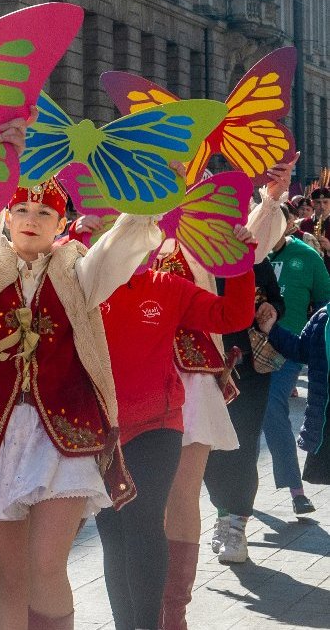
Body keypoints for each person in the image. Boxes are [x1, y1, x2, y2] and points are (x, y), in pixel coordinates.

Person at [0, 179, 162, 630]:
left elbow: (116, 254)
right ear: (5, 217)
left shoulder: (77, 270)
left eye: (44, 213)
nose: (30, 219)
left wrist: (148, 205)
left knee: (47, 567)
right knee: (11, 583)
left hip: (63, 437)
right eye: (20, 209)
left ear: (62, 224)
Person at [91, 233, 260, 630]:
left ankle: (161, 623)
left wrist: (241, 260)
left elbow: (231, 316)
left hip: (158, 423)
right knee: (114, 532)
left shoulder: (166, 286)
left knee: (144, 519)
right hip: (100, 431)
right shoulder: (85, 284)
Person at [203, 259, 284, 566]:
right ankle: (223, 514)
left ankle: (236, 524)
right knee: (206, 448)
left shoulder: (252, 254)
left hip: (246, 368)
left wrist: (271, 313)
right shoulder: (187, 250)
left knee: (243, 445)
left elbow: (275, 299)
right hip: (199, 366)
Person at [264, 228, 330, 515]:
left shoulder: (308, 257)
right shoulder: (323, 321)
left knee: (270, 407)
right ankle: (232, 507)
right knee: (245, 418)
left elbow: (324, 298)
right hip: (247, 351)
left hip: (287, 355)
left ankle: (295, 490)